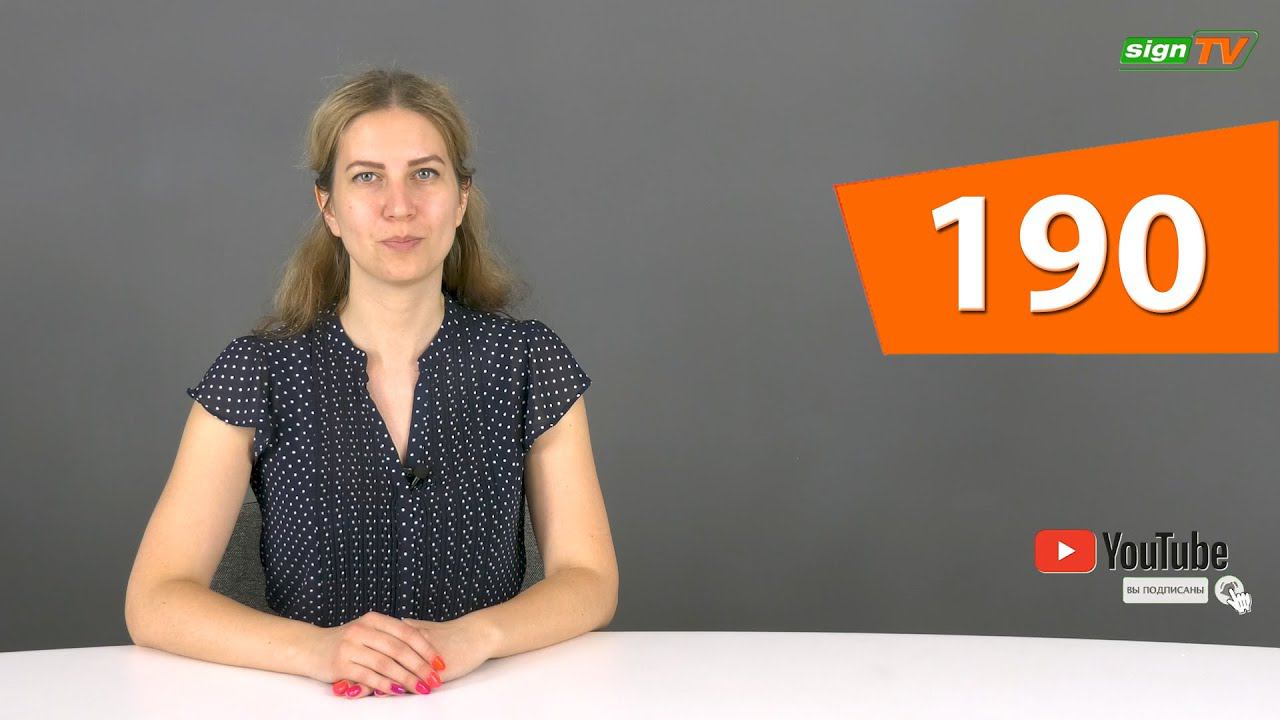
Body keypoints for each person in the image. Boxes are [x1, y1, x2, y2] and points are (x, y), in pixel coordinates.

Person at [124, 67, 618, 700]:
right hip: (308, 704)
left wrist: (477, 636)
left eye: (425, 174)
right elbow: (154, 599)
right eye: (367, 177)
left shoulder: (528, 361)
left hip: (489, 698)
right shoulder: (257, 371)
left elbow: (589, 578)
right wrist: (321, 651)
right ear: (328, 207)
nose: (399, 206)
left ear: (461, 199)